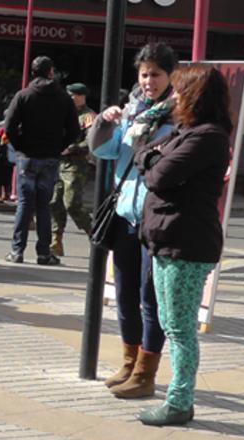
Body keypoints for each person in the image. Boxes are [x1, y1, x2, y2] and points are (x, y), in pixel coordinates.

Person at [133, 64, 232, 426]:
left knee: (179, 328)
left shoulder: (208, 137)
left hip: (187, 242)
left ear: (195, 95)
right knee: (169, 321)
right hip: (166, 237)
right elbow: (145, 155)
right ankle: (178, 398)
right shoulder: (186, 131)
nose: (173, 97)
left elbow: (159, 175)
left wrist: (150, 160)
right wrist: (150, 156)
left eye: (179, 91)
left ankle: (179, 402)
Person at [88, 43, 176, 398]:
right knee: (125, 295)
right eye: (144, 74)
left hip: (158, 219)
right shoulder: (131, 112)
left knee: (150, 299)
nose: (149, 81)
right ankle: (129, 362)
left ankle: (145, 373)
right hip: (125, 216)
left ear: (170, 75)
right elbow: (103, 150)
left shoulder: (179, 116)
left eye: (156, 74)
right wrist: (104, 122)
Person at [3, 55, 80, 266]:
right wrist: (59, 146)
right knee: (44, 205)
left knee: (24, 203)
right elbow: (74, 130)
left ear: (32, 72)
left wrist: (20, 146)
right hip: (50, 156)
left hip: (28, 156)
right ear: (51, 72)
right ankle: (44, 252)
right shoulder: (63, 97)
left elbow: (9, 127)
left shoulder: (23, 96)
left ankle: (17, 250)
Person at [51, 82, 96, 257]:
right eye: (69, 95)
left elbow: (91, 141)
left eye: (74, 95)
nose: (70, 98)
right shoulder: (63, 113)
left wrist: (73, 148)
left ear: (82, 96)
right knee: (55, 201)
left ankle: (94, 233)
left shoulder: (88, 116)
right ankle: (56, 240)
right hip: (59, 163)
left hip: (76, 164)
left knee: (72, 203)